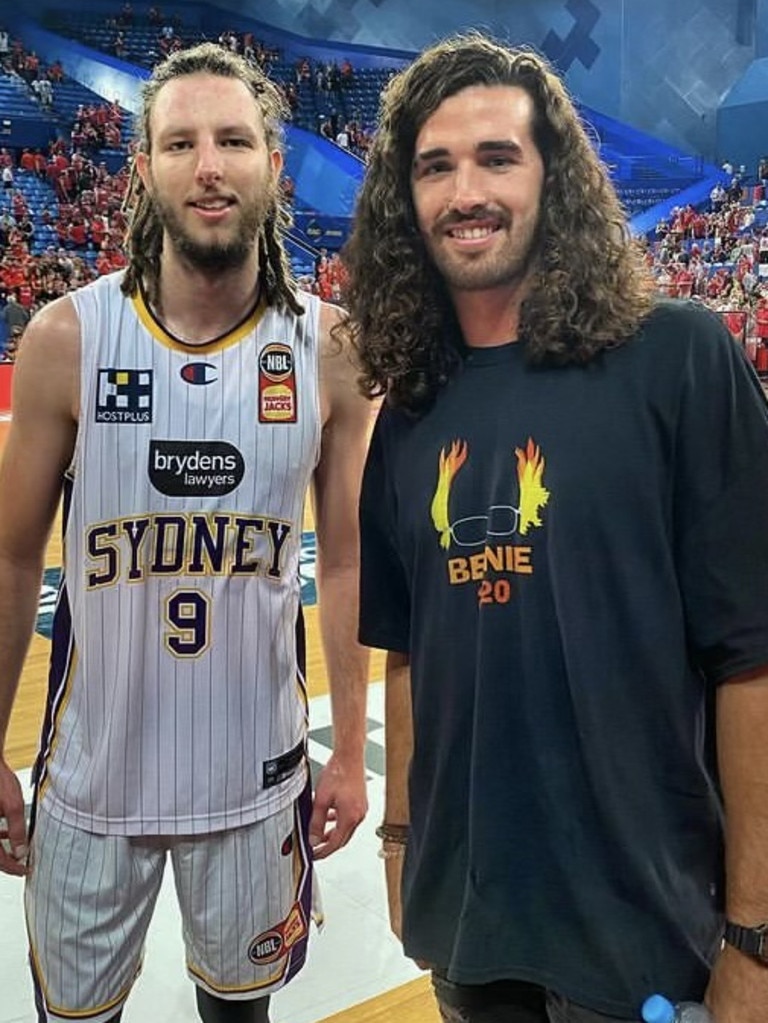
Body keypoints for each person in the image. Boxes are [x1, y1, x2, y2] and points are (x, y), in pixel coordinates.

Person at [339, 31, 768, 1023]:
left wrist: (754, 932)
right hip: (471, 935)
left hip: (657, 940)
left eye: (498, 158)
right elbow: (406, 651)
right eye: (434, 167)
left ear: (557, 178)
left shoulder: (681, 359)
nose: (465, 191)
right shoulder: (411, 406)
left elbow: (752, 659)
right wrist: (403, 844)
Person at [0, 41, 370, 1023]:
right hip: (89, 780)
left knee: (240, 1013)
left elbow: (344, 557)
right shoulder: (66, 339)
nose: (210, 166)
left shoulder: (329, 349)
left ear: (273, 165)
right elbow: (8, 558)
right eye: (182, 143)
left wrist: (348, 752)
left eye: (235, 140)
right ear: (145, 168)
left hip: (258, 781)